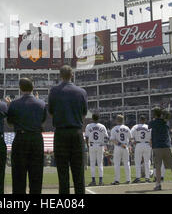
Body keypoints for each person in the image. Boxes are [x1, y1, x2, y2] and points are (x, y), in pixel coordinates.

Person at [48, 65, 88, 194]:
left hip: (60, 133)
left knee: (62, 172)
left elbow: (51, 112)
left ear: (60, 76)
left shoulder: (54, 91)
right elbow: (84, 113)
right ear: (72, 75)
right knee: (78, 172)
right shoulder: (81, 92)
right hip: (76, 132)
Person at [7, 78, 47, 194]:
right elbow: (43, 121)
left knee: (19, 176)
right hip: (36, 139)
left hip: (20, 139)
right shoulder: (41, 103)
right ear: (32, 88)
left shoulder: (14, 104)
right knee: (36, 176)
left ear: (20, 88)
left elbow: (10, 123)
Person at [148, 108, 172, 191]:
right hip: (166, 146)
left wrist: (157, 118)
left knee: (158, 167)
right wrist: (163, 116)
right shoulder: (165, 122)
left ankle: (158, 185)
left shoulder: (153, 122)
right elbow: (167, 119)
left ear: (155, 114)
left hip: (157, 147)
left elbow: (150, 126)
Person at [85, 113, 108, 186]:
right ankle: (101, 181)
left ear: (92, 118)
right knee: (100, 163)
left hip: (92, 145)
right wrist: (104, 144)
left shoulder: (88, 126)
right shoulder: (102, 126)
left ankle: (93, 181)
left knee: (92, 164)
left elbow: (86, 137)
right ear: (98, 118)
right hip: (100, 145)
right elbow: (106, 137)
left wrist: (88, 146)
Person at [110, 115, 132, 185]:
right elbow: (131, 138)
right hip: (125, 146)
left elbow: (113, 139)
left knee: (117, 164)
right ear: (123, 120)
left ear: (116, 120)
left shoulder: (114, 129)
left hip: (118, 147)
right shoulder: (127, 128)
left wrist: (120, 144)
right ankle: (128, 179)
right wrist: (129, 146)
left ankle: (117, 180)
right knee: (127, 163)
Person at [130, 115, 151, 184]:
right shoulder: (148, 127)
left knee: (137, 162)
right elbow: (152, 137)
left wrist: (133, 142)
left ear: (139, 120)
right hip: (147, 144)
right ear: (145, 120)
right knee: (147, 162)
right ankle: (147, 178)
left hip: (138, 144)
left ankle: (138, 178)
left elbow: (131, 136)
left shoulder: (136, 127)